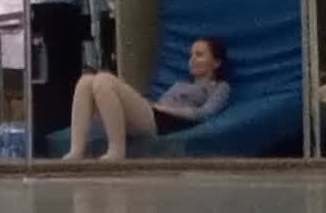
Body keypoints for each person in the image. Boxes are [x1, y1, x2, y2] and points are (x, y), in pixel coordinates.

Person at [63, 36, 232, 161]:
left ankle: (116, 150)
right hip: (151, 112)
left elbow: (205, 113)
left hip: (160, 120)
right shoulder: (180, 84)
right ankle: (76, 151)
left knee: (103, 79)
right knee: (86, 81)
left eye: (199, 54)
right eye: (191, 55)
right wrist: (155, 105)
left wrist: (165, 109)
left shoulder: (220, 86)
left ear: (216, 63)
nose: (192, 59)